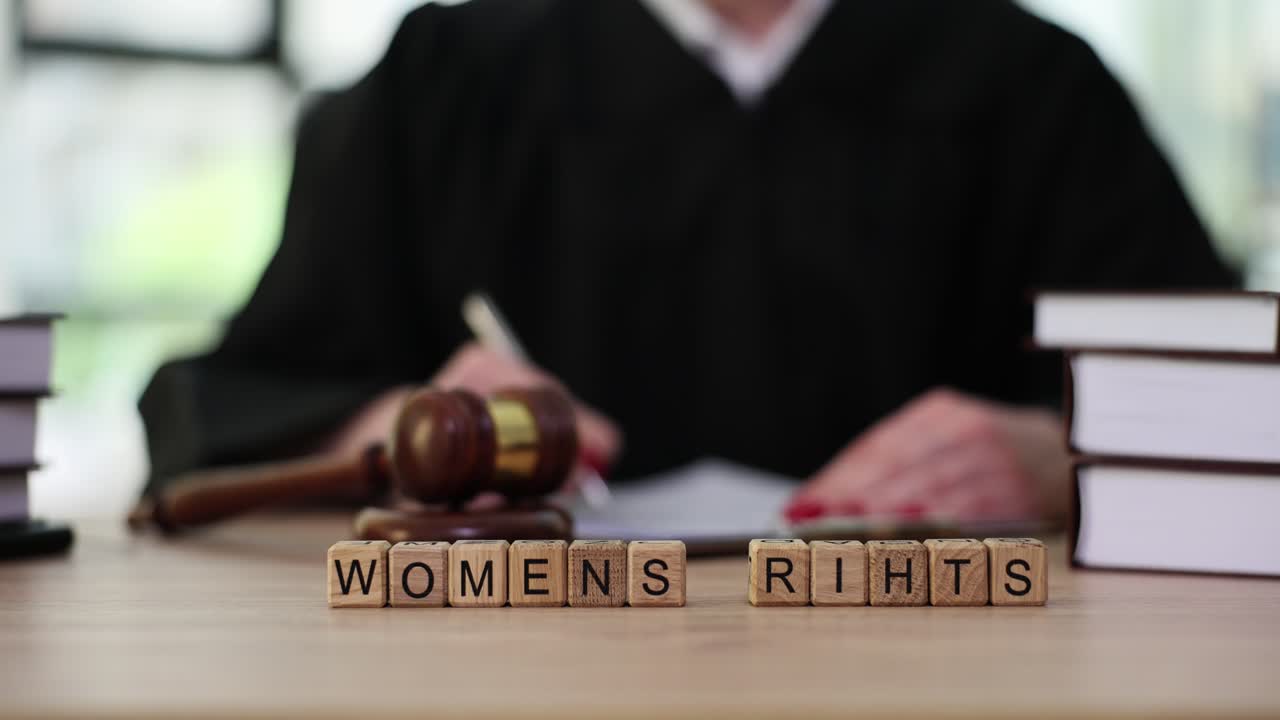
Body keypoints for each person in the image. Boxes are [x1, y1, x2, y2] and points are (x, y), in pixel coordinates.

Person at [138, 0, 1236, 525]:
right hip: (511, 684)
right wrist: (402, 436)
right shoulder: (450, 76)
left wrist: (1065, 456)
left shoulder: (1031, 85)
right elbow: (219, 406)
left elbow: (1232, 415)